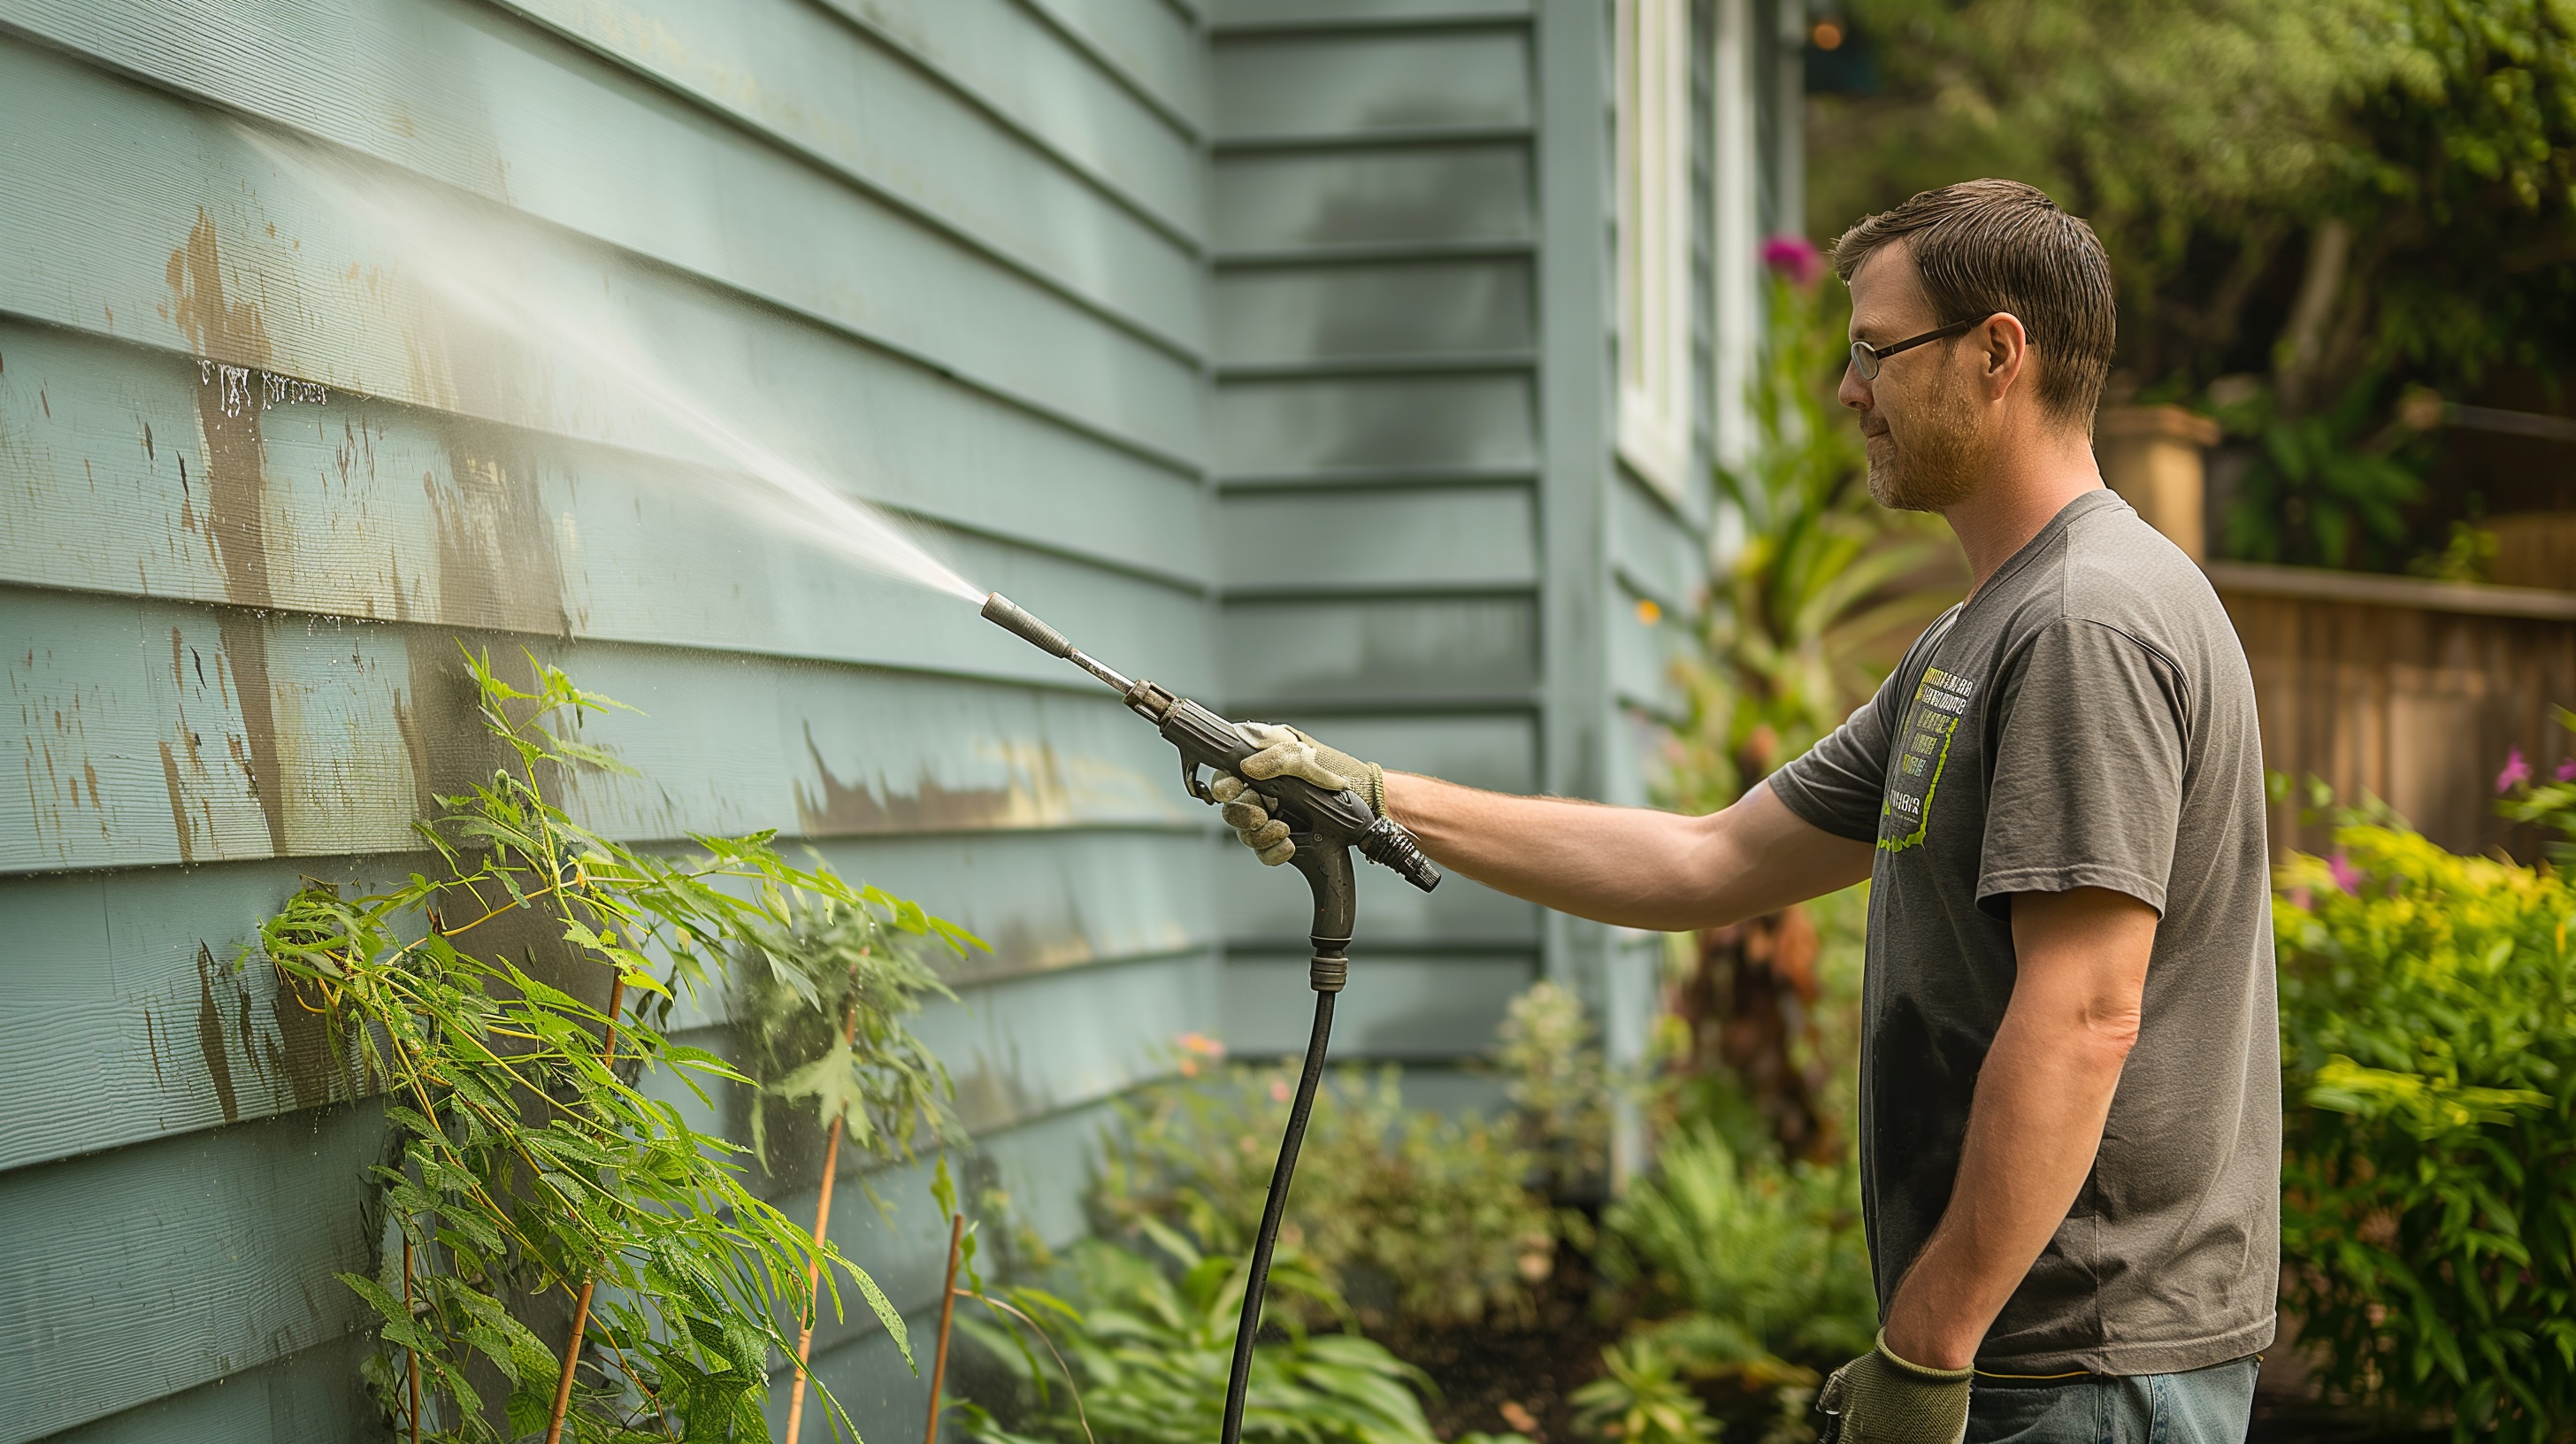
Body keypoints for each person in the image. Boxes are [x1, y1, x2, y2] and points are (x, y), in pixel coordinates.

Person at [1209, 180, 2279, 1444]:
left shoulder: (2085, 624)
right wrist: (1374, 795)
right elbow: (1705, 861)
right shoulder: (1974, 639)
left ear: (1998, 354)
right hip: (2035, 1356)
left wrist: (1927, 1352)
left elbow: (2086, 1015)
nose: (1847, 389)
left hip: (2087, 1369)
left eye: (1878, 350)